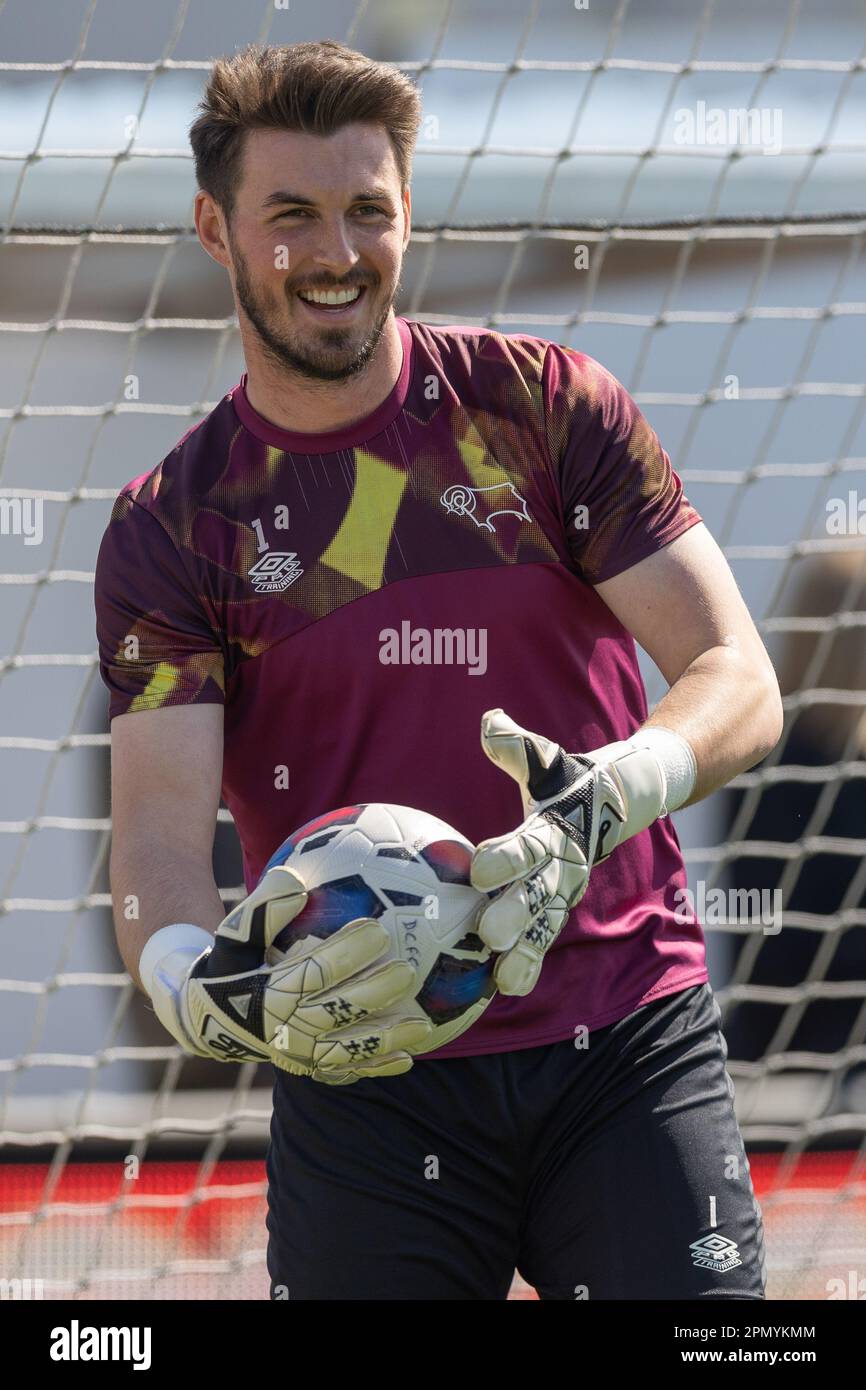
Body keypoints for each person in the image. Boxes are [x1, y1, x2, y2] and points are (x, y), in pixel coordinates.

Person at [94, 40, 783, 1300]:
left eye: (368, 209)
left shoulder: (545, 407)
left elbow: (737, 677)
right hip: (361, 1074)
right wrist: (191, 984)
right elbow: (152, 847)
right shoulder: (169, 526)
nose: (337, 251)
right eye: (291, 215)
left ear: (408, 212)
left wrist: (606, 795)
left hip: (619, 1038)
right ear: (215, 228)